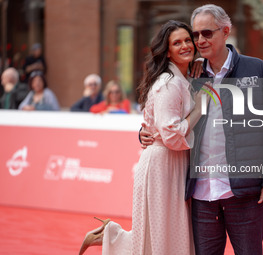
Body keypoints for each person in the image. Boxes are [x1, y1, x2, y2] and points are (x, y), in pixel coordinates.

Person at [141, 4, 263, 255]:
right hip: (201, 195)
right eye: (196, 35)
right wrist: (146, 132)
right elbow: (168, 113)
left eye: (206, 33)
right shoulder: (191, 75)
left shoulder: (257, 70)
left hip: (244, 193)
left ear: (226, 31)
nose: (199, 40)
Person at [79, 20, 208, 255]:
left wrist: (200, 63)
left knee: (160, 236)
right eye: (176, 43)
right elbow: (169, 134)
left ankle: (110, 234)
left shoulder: (180, 77)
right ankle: (112, 235)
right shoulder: (168, 83)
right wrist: (200, 108)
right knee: (161, 237)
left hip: (171, 162)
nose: (185, 46)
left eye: (187, 40)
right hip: (164, 163)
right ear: (167, 51)